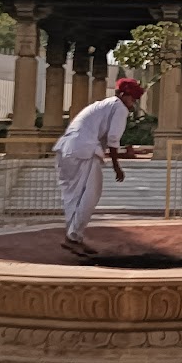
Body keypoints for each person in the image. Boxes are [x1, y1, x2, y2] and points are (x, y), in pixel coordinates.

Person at [54, 78, 144, 254]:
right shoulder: (119, 107)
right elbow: (113, 139)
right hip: (84, 151)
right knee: (91, 194)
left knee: (74, 197)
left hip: (66, 149)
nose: (133, 103)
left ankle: (73, 236)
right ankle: (73, 236)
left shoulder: (103, 105)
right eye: (132, 98)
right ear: (123, 95)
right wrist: (117, 166)